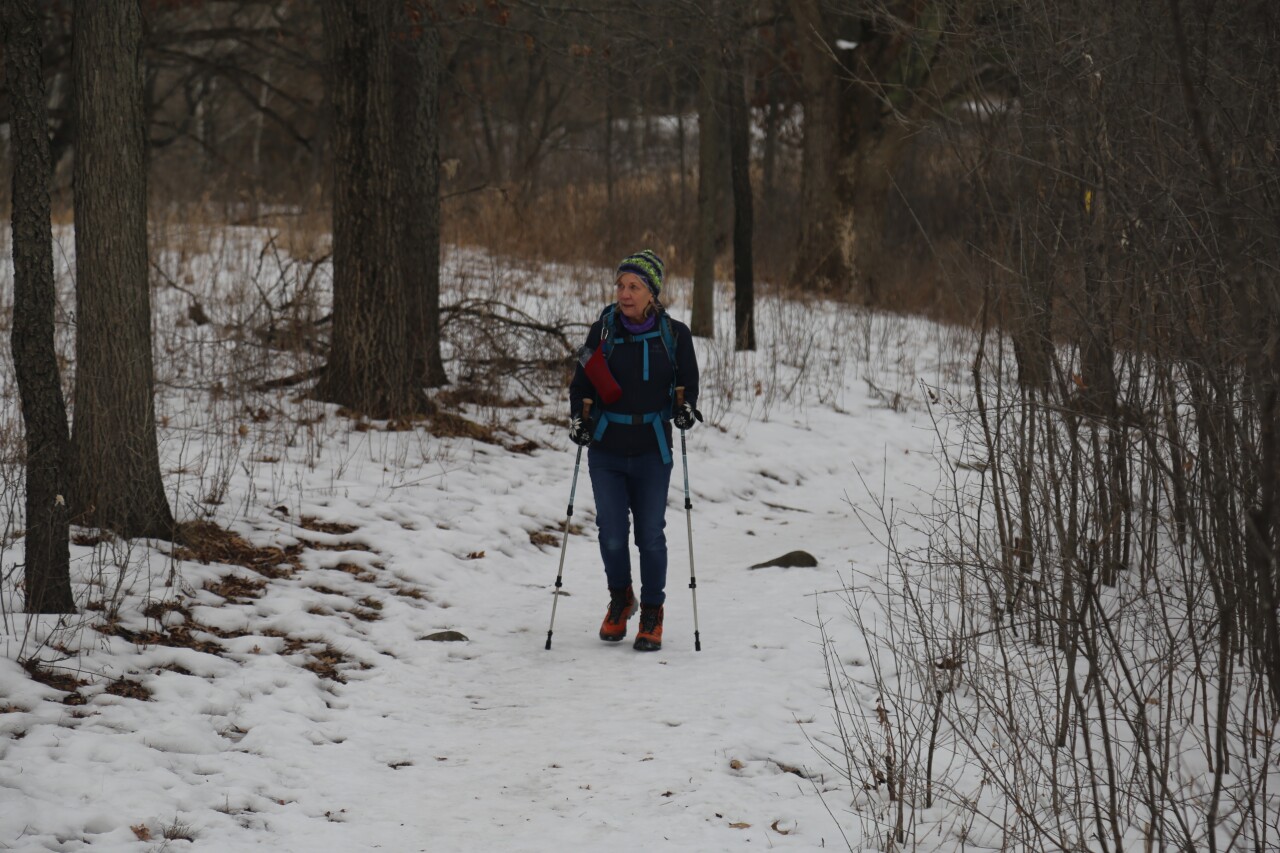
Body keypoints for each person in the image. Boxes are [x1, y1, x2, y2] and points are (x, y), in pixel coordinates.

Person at [568, 249, 701, 651]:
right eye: (621, 285)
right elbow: (581, 386)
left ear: (652, 293)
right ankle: (622, 599)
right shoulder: (602, 331)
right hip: (607, 449)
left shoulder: (674, 334)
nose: (625, 294)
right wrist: (580, 419)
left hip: (651, 450)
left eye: (634, 287)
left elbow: (689, 385)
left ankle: (653, 612)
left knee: (650, 536)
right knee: (610, 533)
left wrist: (686, 412)